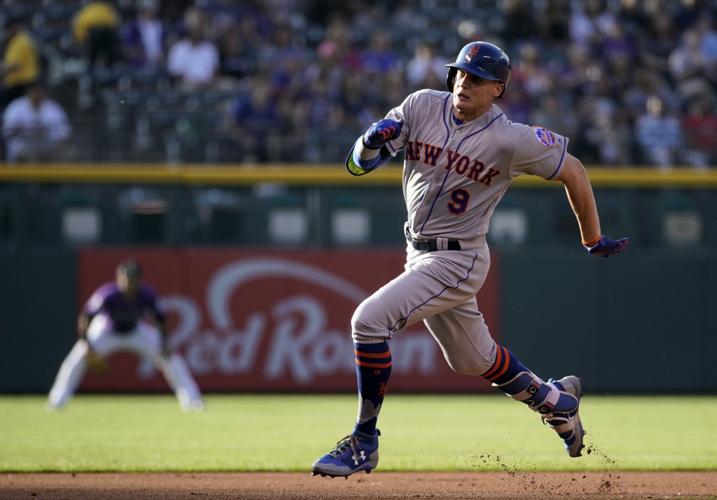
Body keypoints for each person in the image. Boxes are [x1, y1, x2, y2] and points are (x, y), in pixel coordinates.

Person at [312, 41, 629, 478]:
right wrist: (370, 140)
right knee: (471, 360)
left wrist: (592, 238)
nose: (464, 82)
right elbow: (356, 166)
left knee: (368, 321)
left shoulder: (511, 138)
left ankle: (364, 441)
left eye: (477, 78)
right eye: (460, 73)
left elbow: (573, 169)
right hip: (418, 252)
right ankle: (558, 403)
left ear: (498, 88)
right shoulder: (422, 105)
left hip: (457, 261)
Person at [48, 259, 204, 411]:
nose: (129, 282)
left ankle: (192, 400)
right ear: (119, 278)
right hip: (106, 330)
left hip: (135, 331)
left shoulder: (147, 294)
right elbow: (86, 317)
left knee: (171, 357)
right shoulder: (108, 294)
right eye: (126, 278)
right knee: (77, 359)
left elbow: (160, 319)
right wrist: (85, 343)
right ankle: (57, 399)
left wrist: (164, 343)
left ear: (139, 280)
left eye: (133, 279)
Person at [2, 80, 72, 163]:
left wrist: (57, 141)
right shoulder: (16, 106)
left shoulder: (53, 107)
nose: (37, 93)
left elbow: (65, 132)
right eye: (35, 90)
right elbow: (6, 131)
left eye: (40, 91)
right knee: (30, 155)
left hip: (48, 145)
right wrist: (23, 130)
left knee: (68, 153)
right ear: (29, 92)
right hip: (24, 145)